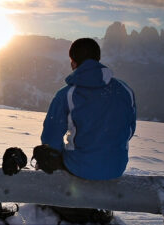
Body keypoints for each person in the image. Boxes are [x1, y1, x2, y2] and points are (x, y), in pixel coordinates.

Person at [33, 38, 136, 223]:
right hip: (117, 166)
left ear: (73, 62)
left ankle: (67, 210)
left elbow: (50, 139)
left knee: (44, 157)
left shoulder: (67, 94)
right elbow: (129, 131)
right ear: (98, 59)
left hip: (80, 167)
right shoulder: (125, 90)